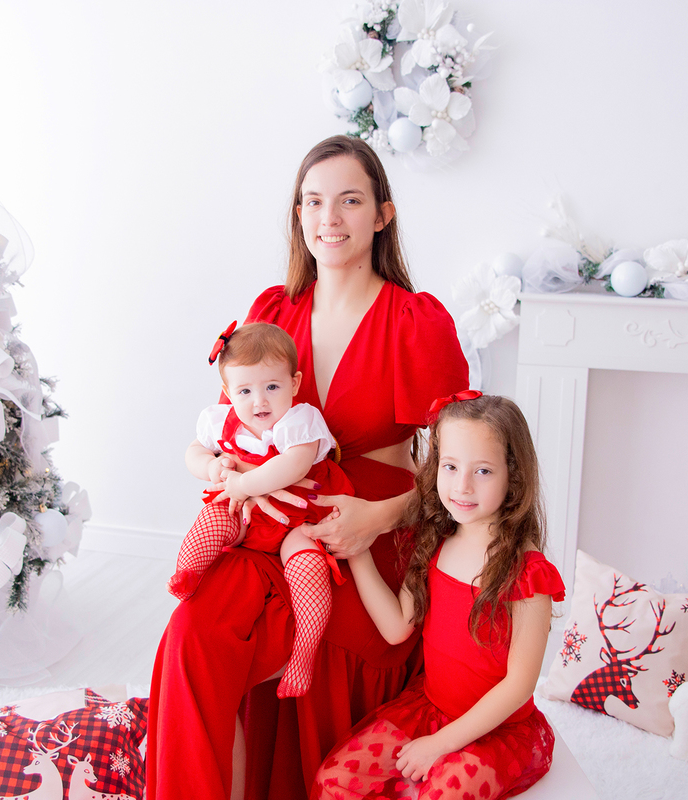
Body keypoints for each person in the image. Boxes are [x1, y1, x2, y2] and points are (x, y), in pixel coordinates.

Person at [146, 135, 469, 800]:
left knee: (334, 649)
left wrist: (379, 518)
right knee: (192, 635)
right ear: (298, 214)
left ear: (382, 214)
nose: (330, 218)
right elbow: (229, 426)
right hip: (270, 524)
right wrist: (225, 469)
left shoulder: (417, 320)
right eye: (314, 201)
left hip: (369, 526)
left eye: (350, 201)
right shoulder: (274, 310)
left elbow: (462, 468)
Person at [312, 392, 565, 799]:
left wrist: (441, 745)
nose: (461, 486)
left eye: (482, 471)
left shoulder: (527, 572)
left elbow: (519, 685)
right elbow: (397, 627)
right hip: (429, 709)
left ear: (513, 477)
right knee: (335, 778)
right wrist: (357, 552)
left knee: (441, 793)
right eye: (450, 466)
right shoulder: (435, 541)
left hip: (497, 732)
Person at [171, 321, 354, 699]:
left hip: (299, 518)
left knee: (308, 567)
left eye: (272, 387)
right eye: (245, 390)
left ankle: (304, 651)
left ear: (294, 383)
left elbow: (294, 467)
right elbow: (193, 452)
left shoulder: (299, 421)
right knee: (215, 516)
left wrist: (241, 483)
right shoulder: (221, 420)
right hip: (249, 517)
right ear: (227, 392)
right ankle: (188, 574)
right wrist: (211, 467)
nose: (260, 402)